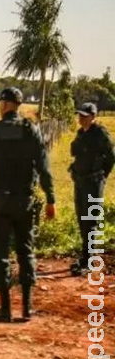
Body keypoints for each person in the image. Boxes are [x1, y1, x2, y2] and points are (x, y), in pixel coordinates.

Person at [0, 87, 56, 322]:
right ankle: (27, 308)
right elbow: (43, 166)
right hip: (25, 200)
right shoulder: (31, 130)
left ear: (5, 105)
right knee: (25, 251)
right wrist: (51, 198)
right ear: (18, 105)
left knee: (1, 252)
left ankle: (6, 308)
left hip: (0, 200)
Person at [69, 102, 115, 276]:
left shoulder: (100, 134)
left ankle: (89, 259)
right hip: (80, 182)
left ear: (93, 116)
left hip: (94, 182)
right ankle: (86, 254)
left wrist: (102, 175)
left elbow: (111, 157)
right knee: (82, 218)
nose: (81, 118)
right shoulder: (80, 134)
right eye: (79, 115)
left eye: (84, 116)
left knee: (91, 219)